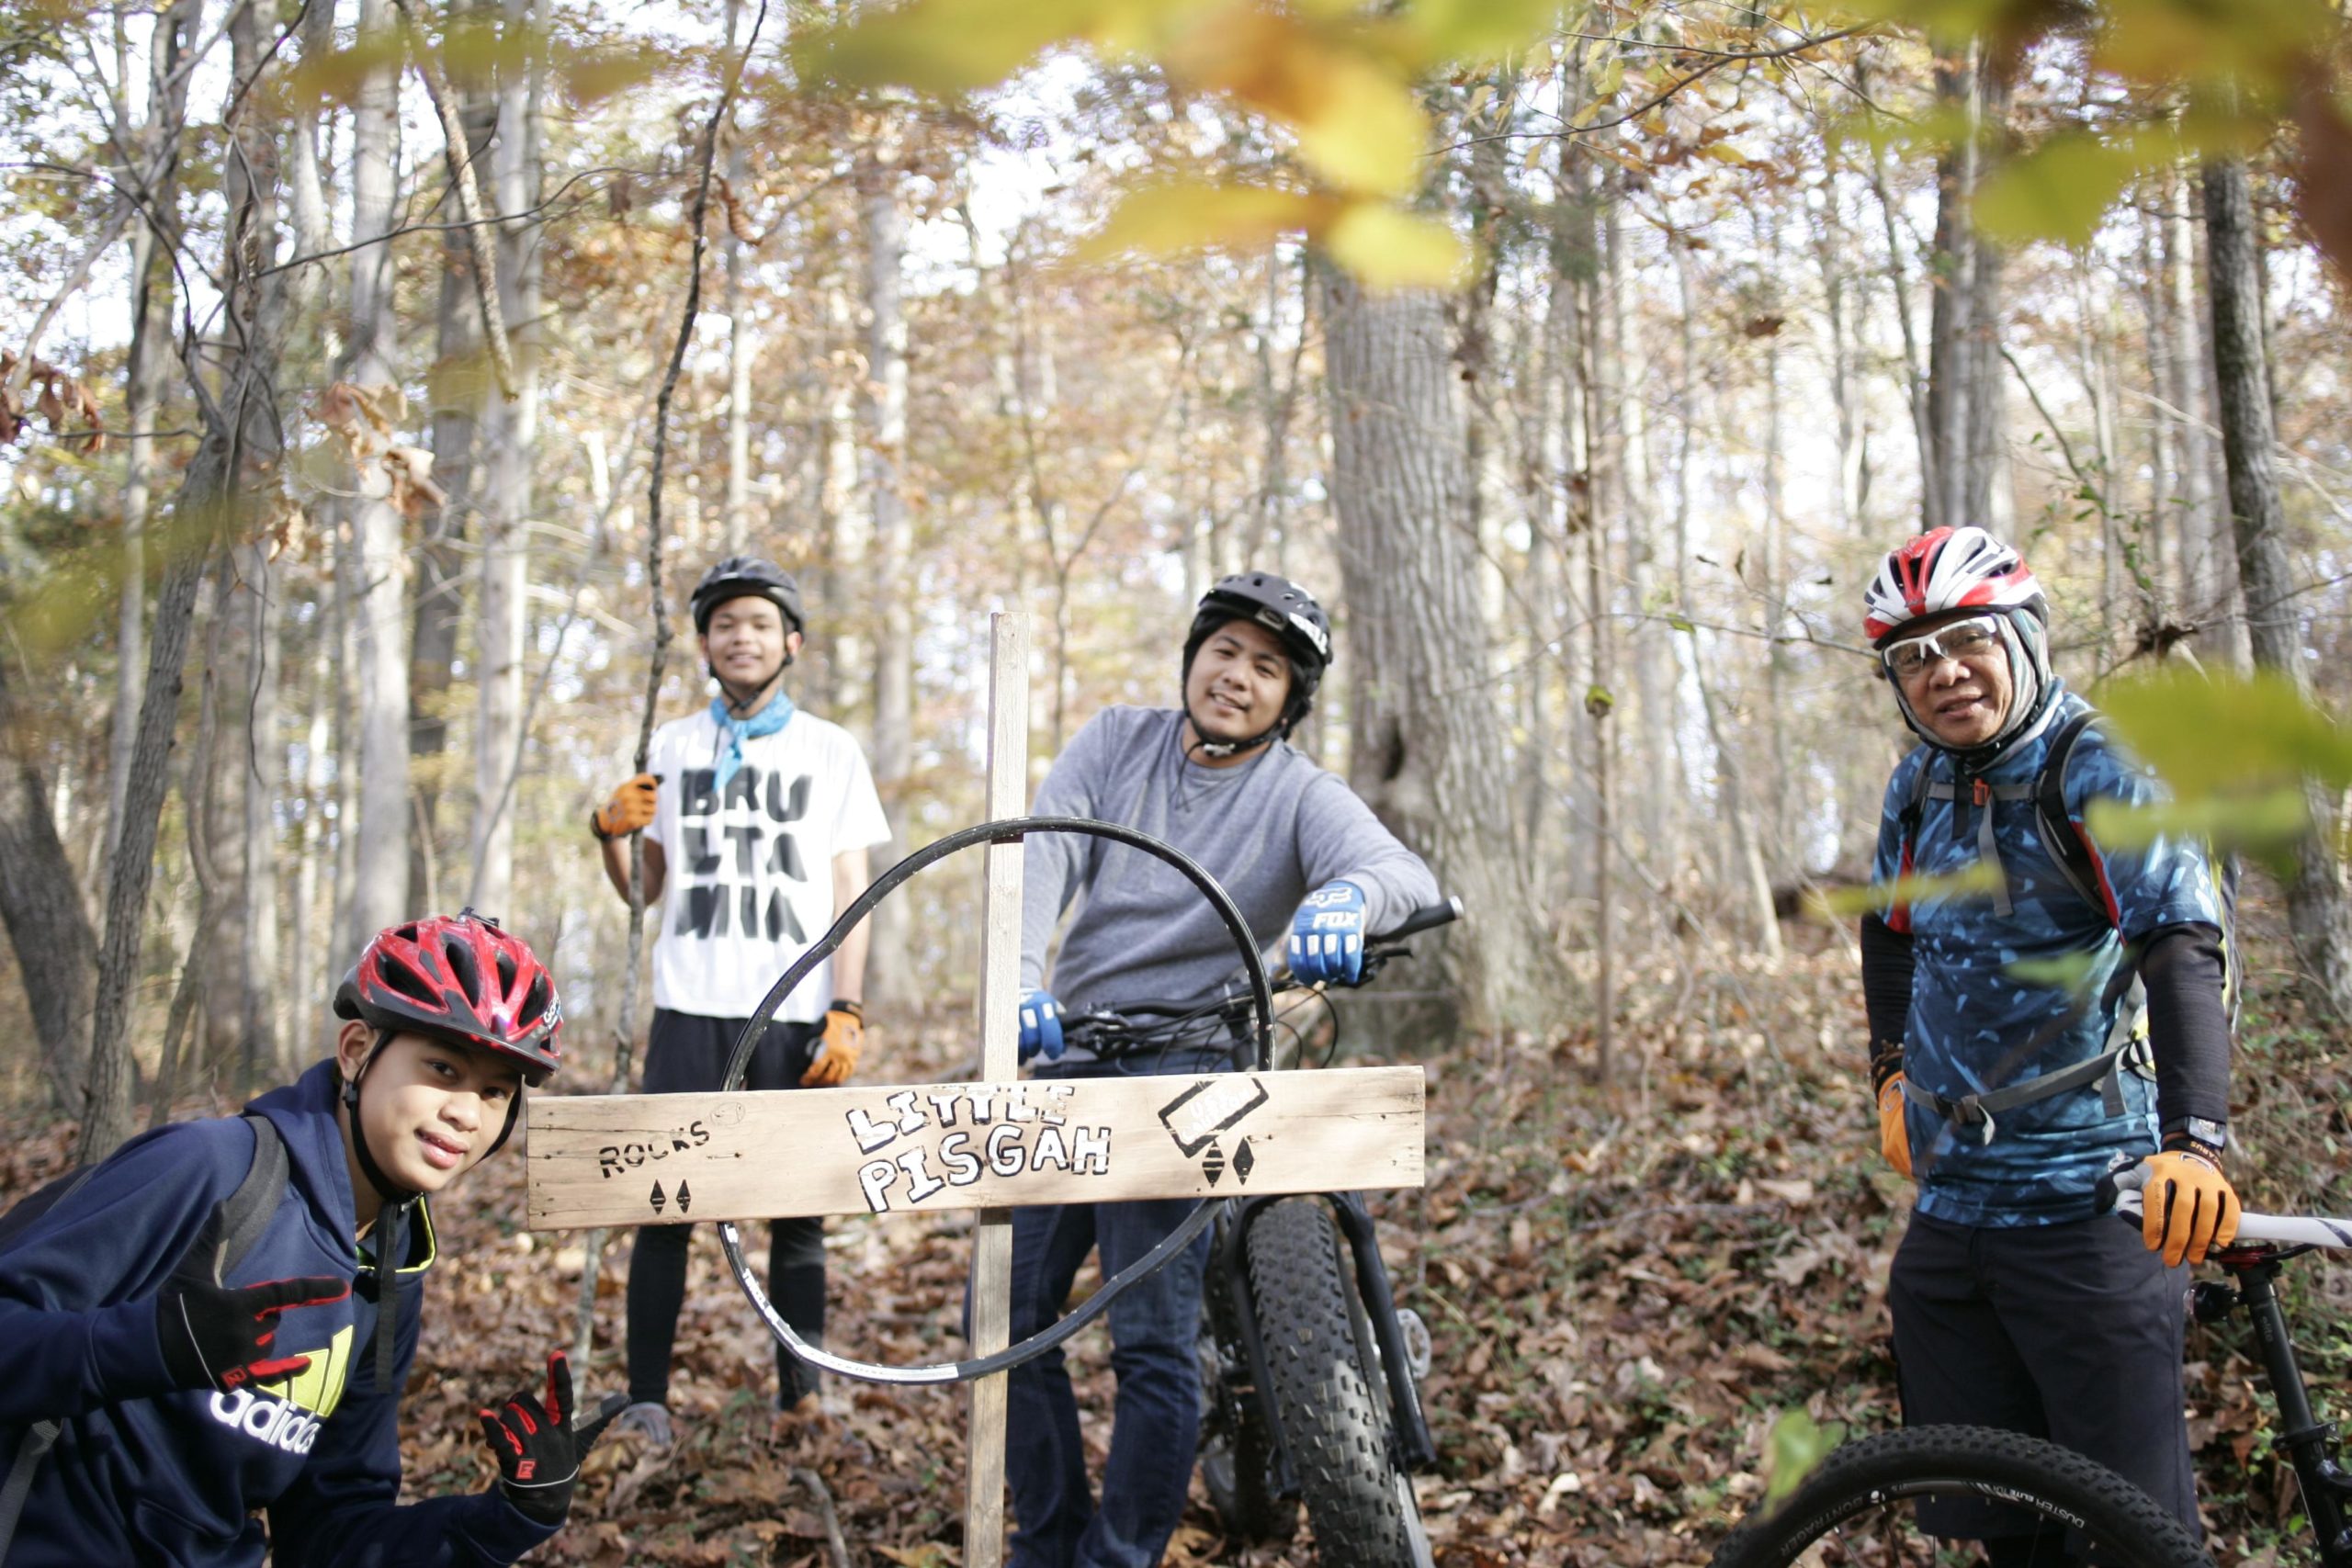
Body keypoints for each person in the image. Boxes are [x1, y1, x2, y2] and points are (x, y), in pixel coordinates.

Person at [1004, 570, 1440, 1568]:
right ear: (1193, 655)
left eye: (1267, 667)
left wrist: (1350, 901)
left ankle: (1117, 1557)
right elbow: (1041, 859)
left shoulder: (1298, 794)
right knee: (1013, 1318)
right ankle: (1048, 1543)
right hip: (1071, 1054)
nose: (1237, 677)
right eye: (1226, 651)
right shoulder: (1117, 740)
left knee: (1150, 1343)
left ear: (1291, 699)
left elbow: (1403, 876)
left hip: (1196, 1067)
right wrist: (1021, 977)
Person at [0, 909, 615, 1565]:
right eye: (442, 1068)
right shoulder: (212, 1170)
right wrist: (141, 1345)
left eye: (495, 1092)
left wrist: (504, 1518)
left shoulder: (391, 1270)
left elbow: (329, 1529)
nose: (466, 1112)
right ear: (356, 1052)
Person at [1860, 526, 2238, 1562]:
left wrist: (2193, 1140)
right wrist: (1889, 1073)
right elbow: (1887, 933)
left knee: (2131, 1531)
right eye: (1912, 658)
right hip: (1953, 1214)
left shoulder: (2099, 767)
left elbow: (2179, 944)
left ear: (2023, 637)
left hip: (2089, 1206)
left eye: (1966, 641)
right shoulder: (1917, 784)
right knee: (1996, 1518)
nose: (1942, 673)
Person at [590, 554, 891, 1442]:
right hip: (690, 1005)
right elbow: (643, 890)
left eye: (760, 623)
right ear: (704, 644)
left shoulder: (831, 748)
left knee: (797, 1212)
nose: (742, 636)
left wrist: (849, 1005)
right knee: (665, 1209)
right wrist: (608, 832)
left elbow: (851, 890)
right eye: (725, 624)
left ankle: (800, 1393)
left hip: (794, 1008)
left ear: (790, 641)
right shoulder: (672, 745)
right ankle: (648, 1396)